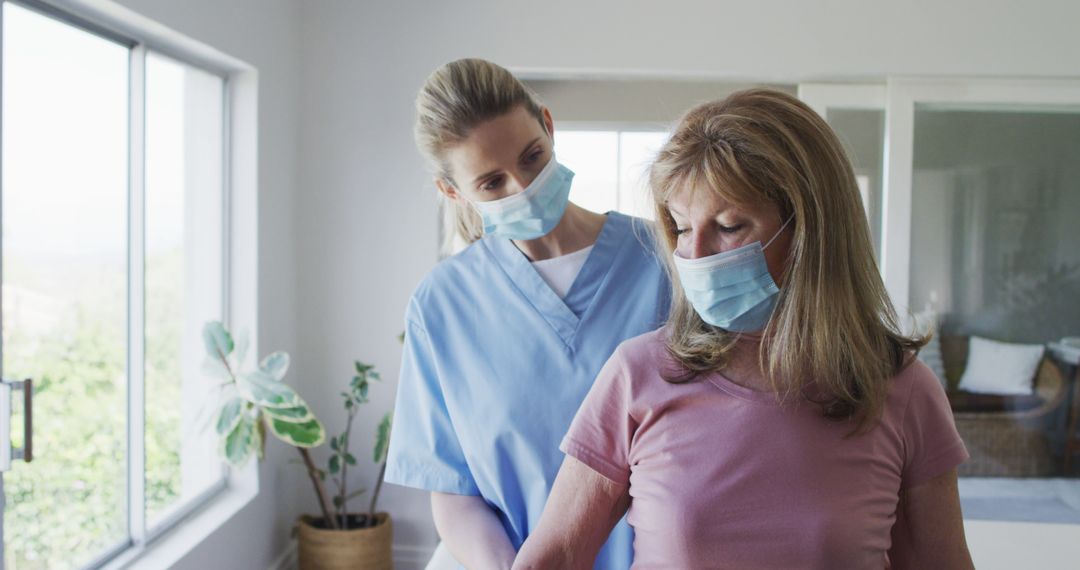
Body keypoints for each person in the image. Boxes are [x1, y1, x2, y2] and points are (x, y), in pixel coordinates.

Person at [514, 89, 974, 569]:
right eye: (682, 227)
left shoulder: (901, 389)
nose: (694, 255)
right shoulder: (638, 375)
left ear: (810, 231)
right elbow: (555, 557)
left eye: (730, 226)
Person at [383, 58, 670, 570]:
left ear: (548, 125)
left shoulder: (663, 261)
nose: (523, 187)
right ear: (453, 191)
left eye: (532, 157)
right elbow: (453, 489)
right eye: (492, 183)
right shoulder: (442, 306)